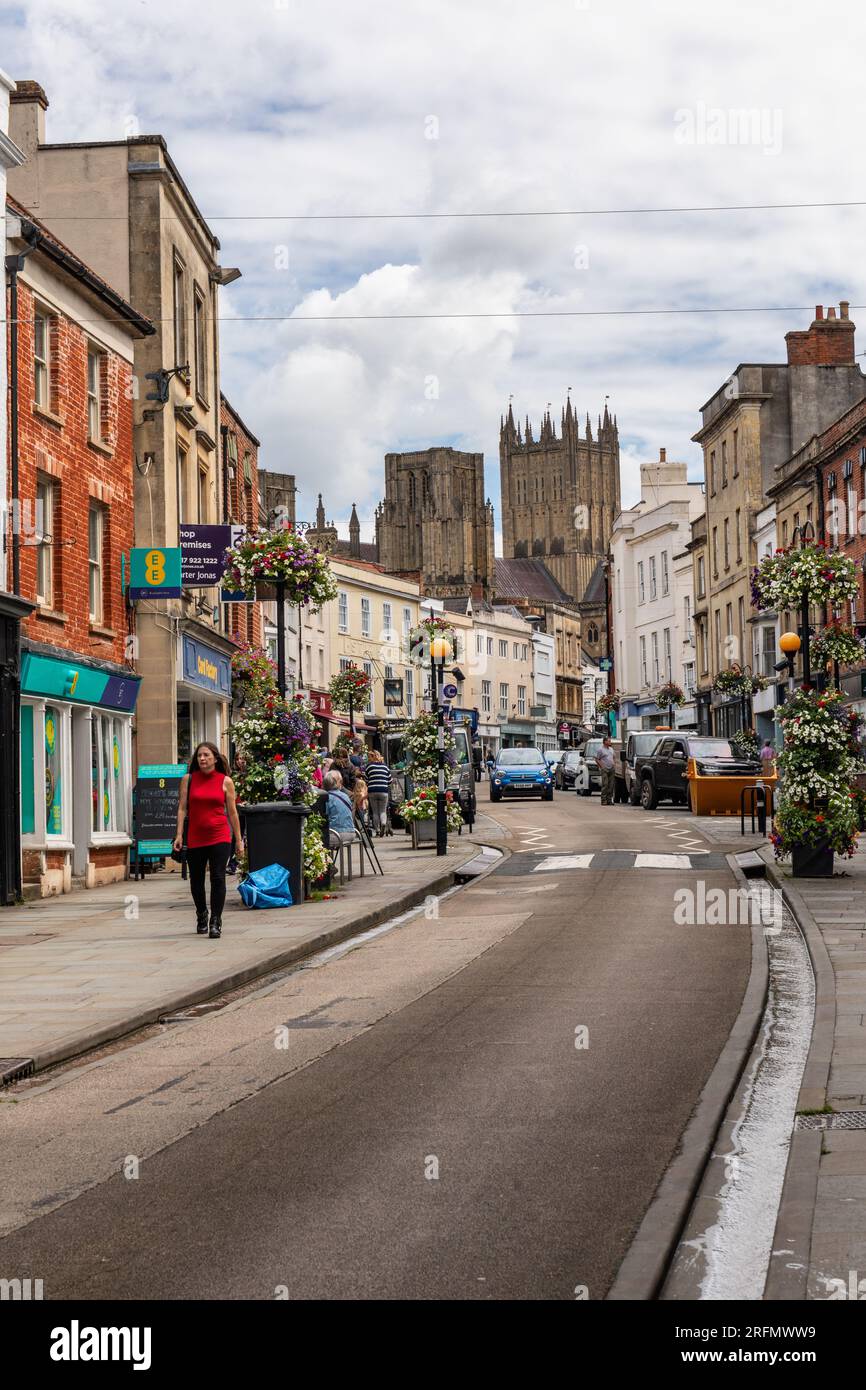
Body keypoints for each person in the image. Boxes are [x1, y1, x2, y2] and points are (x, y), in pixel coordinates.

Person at [174, 742, 243, 939]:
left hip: (220, 836)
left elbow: (232, 812)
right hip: (195, 836)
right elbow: (182, 808)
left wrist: (238, 840)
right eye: (199, 756)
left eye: (206, 755)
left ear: (215, 757)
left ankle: (216, 921)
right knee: (196, 880)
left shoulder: (225, 781)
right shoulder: (188, 779)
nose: (202, 759)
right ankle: (202, 914)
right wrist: (179, 835)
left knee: (218, 878)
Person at [365, 749, 393, 836]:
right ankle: (383, 823)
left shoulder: (369, 766)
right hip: (383, 791)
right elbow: (390, 781)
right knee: (383, 811)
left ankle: (377, 830)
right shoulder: (385, 767)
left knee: (375, 812)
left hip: (372, 791)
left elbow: (366, 780)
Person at [596, 736, 616, 806]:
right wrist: (602, 766)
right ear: (605, 742)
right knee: (605, 784)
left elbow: (613, 757)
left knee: (611, 785)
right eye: (609, 741)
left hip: (611, 768)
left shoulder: (611, 749)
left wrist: (613, 763)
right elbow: (597, 759)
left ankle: (609, 800)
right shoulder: (600, 750)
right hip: (605, 769)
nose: (610, 742)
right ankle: (603, 800)